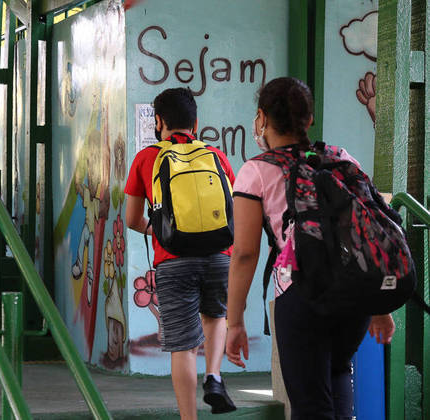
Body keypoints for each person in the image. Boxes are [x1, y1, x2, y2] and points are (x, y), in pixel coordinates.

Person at [225, 77, 396, 419]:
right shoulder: (339, 158)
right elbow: (370, 229)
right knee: (337, 377)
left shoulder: (255, 171)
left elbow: (245, 253)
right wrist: (380, 306)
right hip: (354, 297)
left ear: (262, 118)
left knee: (310, 404)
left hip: (300, 294)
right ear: (309, 120)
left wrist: (234, 322)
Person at [125, 88, 237, 418]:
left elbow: (132, 219)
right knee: (216, 316)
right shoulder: (216, 156)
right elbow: (234, 209)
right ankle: (214, 376)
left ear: (158, 122)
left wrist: (160, 231)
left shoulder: (147, 159)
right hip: (219, 255)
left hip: (173, 261)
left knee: (183, 347)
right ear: (196, 123)